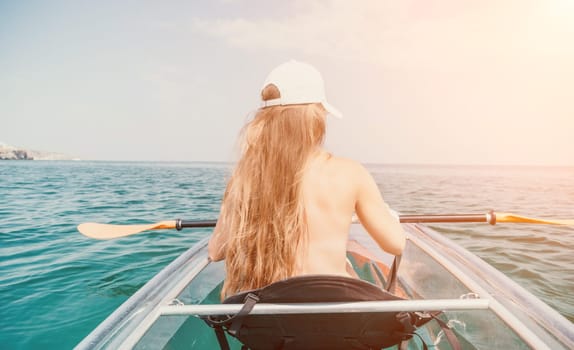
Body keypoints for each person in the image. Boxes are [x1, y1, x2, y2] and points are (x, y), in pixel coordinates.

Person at [208, 60, 406, 298]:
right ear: (316, 117)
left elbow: (216, 251)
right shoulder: (351, 173)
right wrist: (384, 213)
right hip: (336, 316)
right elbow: (395, 245)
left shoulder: (245, 178)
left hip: (267, 325)